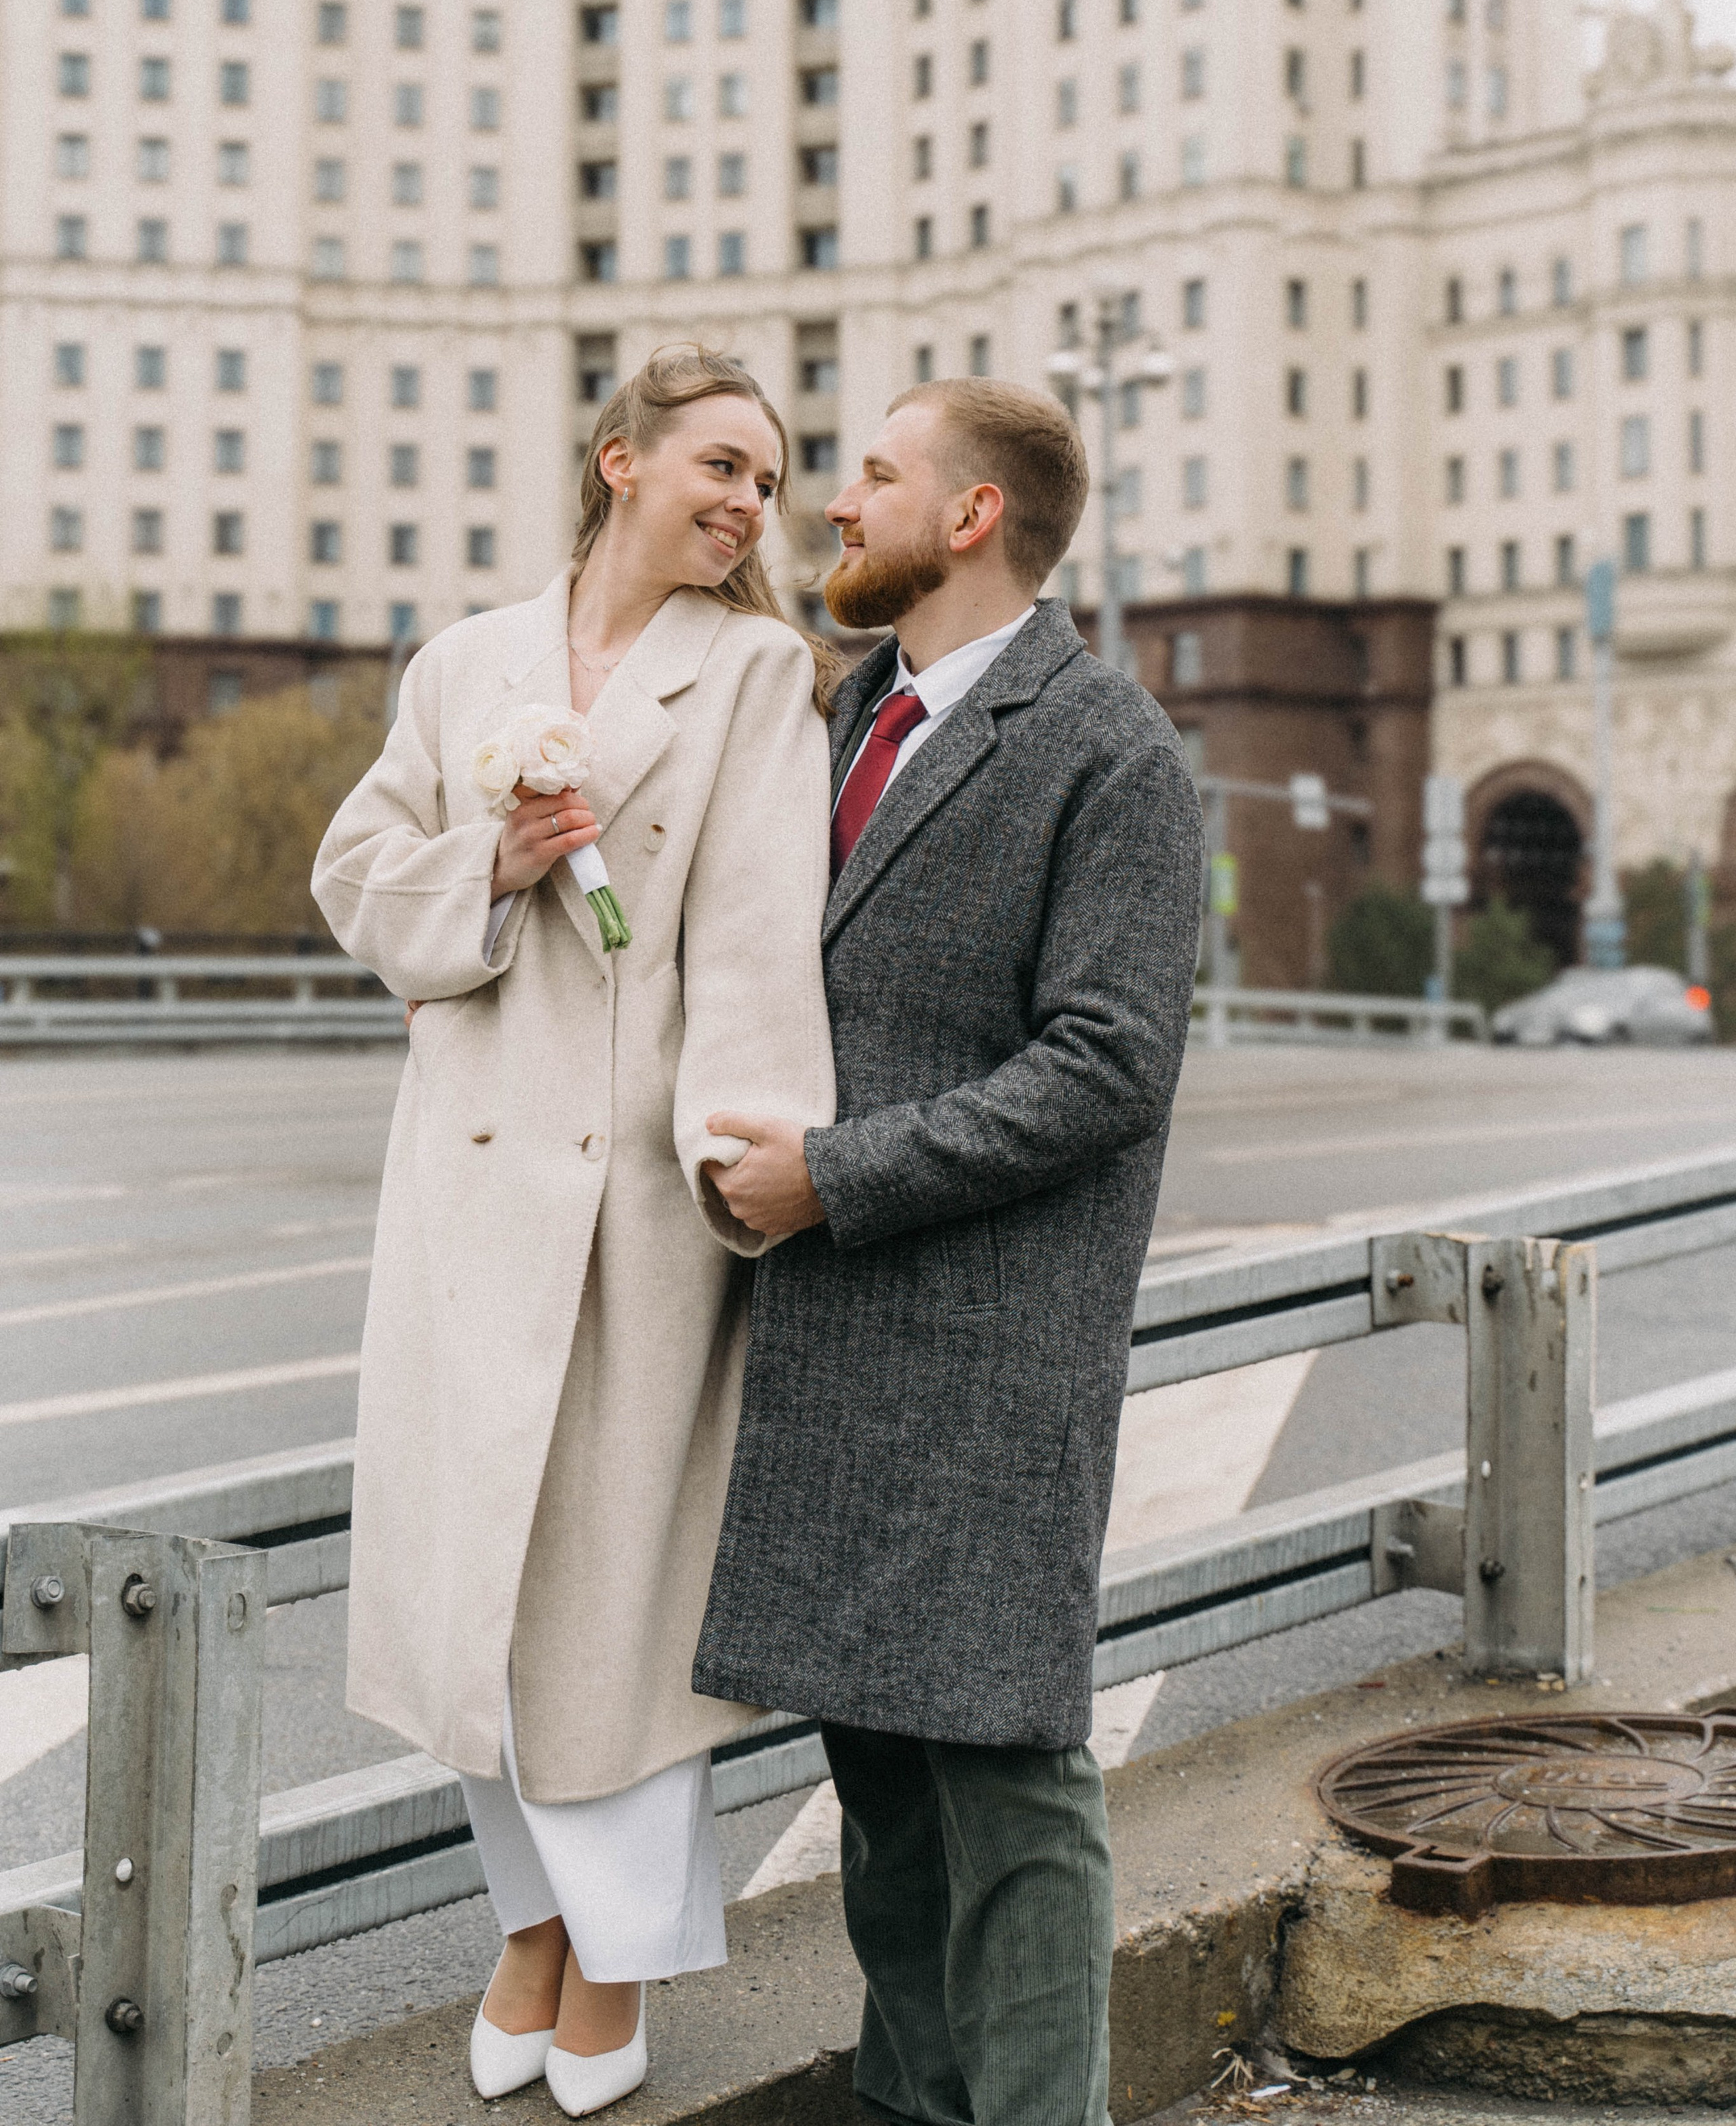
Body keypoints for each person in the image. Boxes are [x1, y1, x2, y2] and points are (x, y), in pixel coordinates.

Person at [312, 345, 836, 2116]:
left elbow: (757, 938)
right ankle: (528, 1924)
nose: (750, 505)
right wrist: (499, 860)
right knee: (477, 1592)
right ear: (622, 461)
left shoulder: (758, 675)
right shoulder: (466, 662)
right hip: (466, 1187)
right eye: (722, 465)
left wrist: (742, 1160)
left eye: (768, 482)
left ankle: (616, 1950)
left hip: (640, 1199)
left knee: (616, 1603)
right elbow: (354, 874)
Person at [694, 376, 1202, 2126]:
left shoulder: (1111, 749)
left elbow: (1110, 1066)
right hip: (826, 1339)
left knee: (1008, 1778)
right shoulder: (840, 713)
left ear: (973, 515)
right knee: (881, 1779)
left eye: (876, 473)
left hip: (989, 1349)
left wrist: (836, 1178)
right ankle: (914, 2104)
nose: (839, 503)